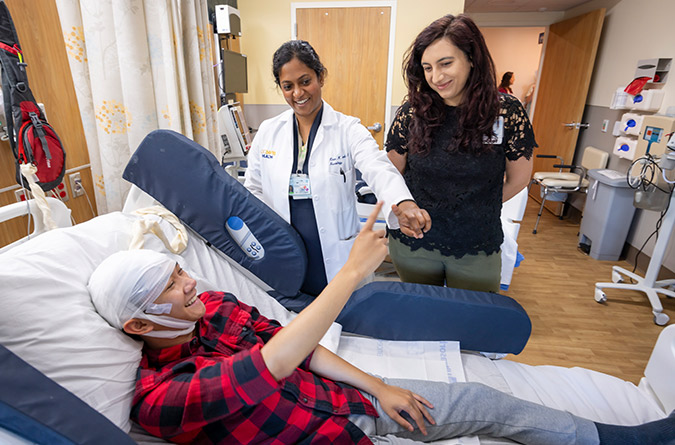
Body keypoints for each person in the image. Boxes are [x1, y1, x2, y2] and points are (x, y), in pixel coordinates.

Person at [87, 204, 675, 445]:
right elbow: (272, 364)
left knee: (490, 402)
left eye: (178, 271)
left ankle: (629, 437)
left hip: (351, 403)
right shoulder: (160, 399)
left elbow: (302, 346)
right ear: (139, 323)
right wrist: (347, 277)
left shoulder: (213, 311)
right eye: (169, 285)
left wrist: (377, 386)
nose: (189, 283)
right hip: (332, 437)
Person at [244, 40, 431, 297]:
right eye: (288, 86)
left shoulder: (348, 129)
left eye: (305, 81)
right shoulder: (268, 131)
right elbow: (253, 188)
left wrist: (404, 203)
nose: (298, 93)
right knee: (294, 316)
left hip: (333, 251)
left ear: (320, 77)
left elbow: (377, 167)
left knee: (341, 316)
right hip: (284, 247)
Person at [385, 15, 536, 292]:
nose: (436, 77)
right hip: (416, 241)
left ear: (471, 59)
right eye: (428, 67)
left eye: (446, 63)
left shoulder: (506, 112)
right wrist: (405, 208)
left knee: (470, 322)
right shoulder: (412, 112)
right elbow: (390, 174)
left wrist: (476, 206)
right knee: (422, 319)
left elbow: (519, 179)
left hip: (476, 244)